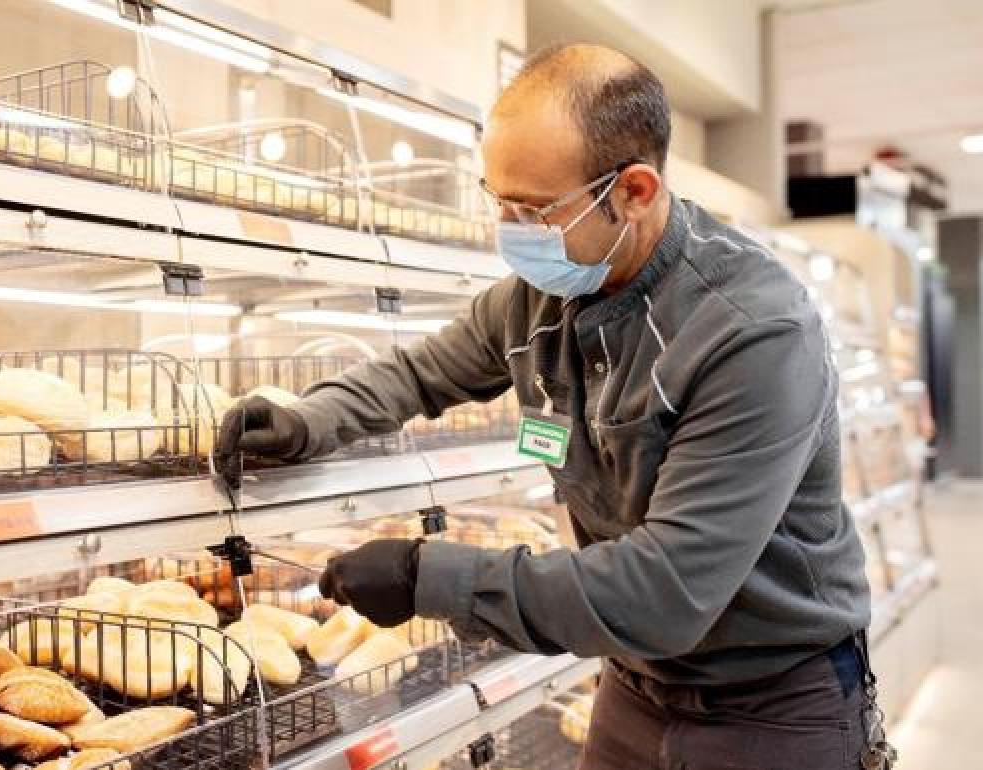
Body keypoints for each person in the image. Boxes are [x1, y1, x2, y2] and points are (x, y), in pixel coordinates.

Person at [217, 44, 880, 769]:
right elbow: (419, 372)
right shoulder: (541, 298)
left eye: (532, 208)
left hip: (772, 703)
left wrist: (425, 574)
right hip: (635, 681)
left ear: (634, 189)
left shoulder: (751, 331)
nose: (509, 229)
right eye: (496, 198)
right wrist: (308, 419)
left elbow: (667, 589)